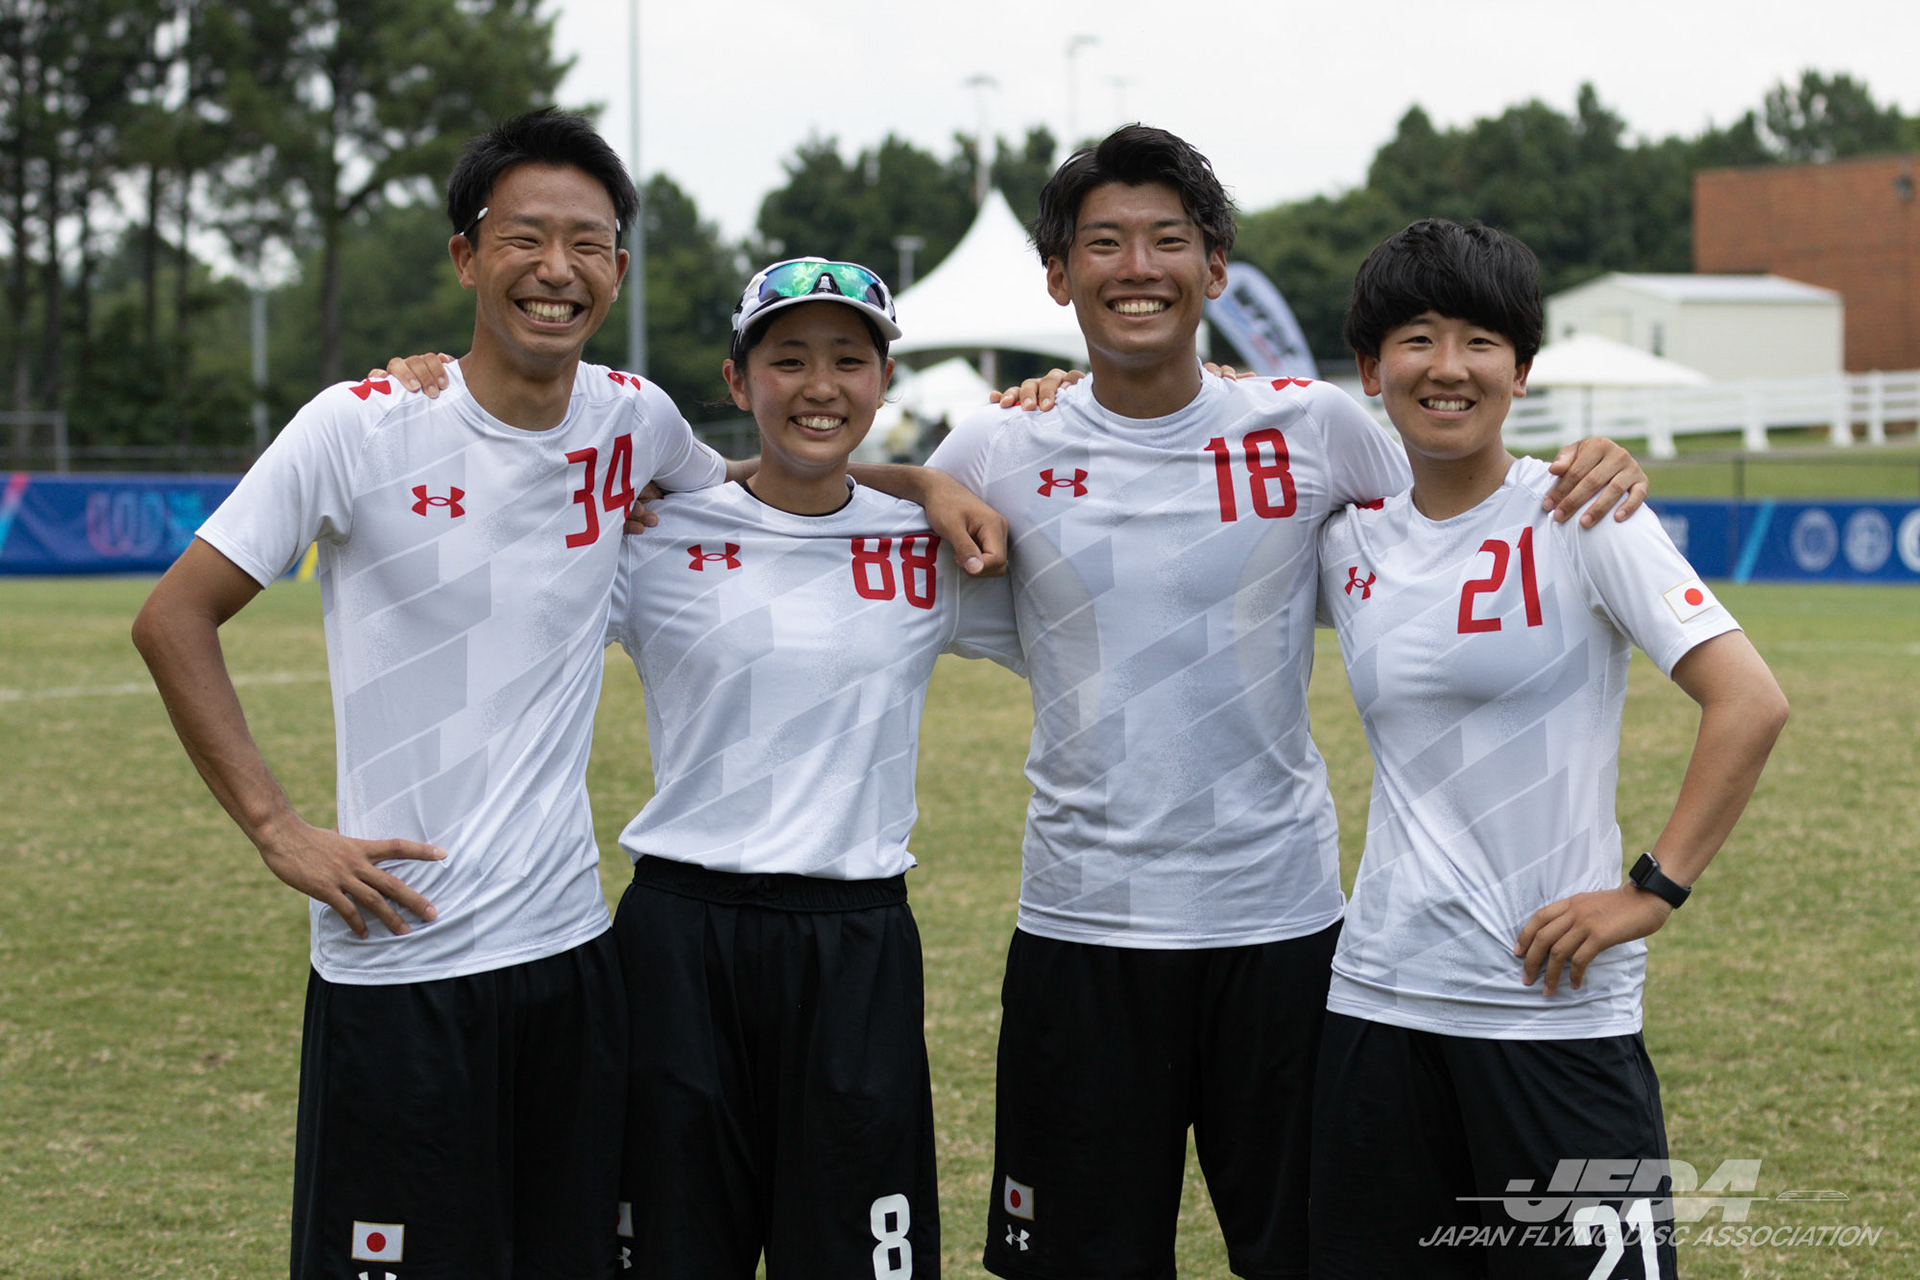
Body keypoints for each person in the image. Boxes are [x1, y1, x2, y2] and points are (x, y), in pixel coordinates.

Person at [132, 109, 995, 1279]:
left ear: (617, 270)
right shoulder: (361, 424)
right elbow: (172, 617)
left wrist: (926, 483)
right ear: (466, 255)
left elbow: (773, 475)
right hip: (402, 958)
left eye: (586, 242)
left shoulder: (633, 421)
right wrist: (278, 828)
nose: (557, 268)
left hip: (574, 961)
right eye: (525, 237)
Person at [925, 125, 1649, 1280]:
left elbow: (1461, 486)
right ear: (1058, 276)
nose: (1137, 266)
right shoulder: (995, 443)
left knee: (1312, 1255)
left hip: (1285, 931)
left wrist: (1594, 459)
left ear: (1215, 266)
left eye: (1169, 239)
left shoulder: (1314, 427)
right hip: (1081, 928)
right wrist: (915, 478)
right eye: (1104, 243)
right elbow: (825, 501)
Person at [1308, 218, 1788, 1279]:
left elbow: (1749, 700)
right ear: (1371, 368)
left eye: (1480, 340)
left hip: (1552, 1017)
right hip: (1379, 1004)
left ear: (1520, 371)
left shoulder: (1583, 510)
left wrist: (1652, 891)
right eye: (1417, 338)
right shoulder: (1345, 538)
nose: (1447, 366)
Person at [602, 257, 1024, 1278]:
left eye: (849, 360)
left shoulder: (929, 540)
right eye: (788, 359)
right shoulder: (650, 533)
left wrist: (924, 481)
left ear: (884, 381)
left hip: (854, 943)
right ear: (738, 380)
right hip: (678, 939)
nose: (820, 386)